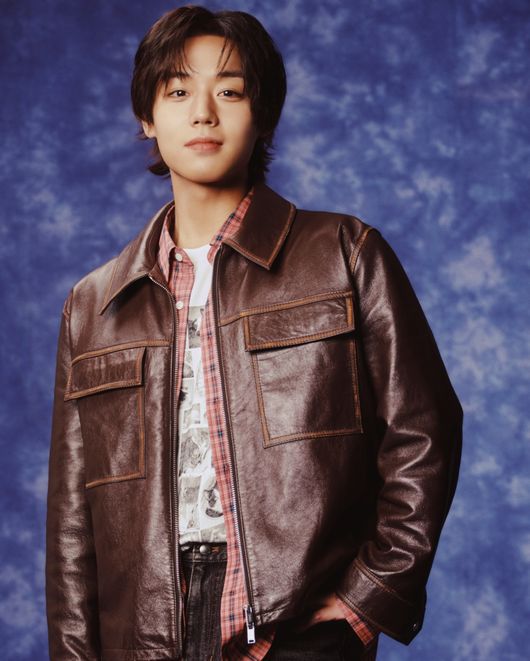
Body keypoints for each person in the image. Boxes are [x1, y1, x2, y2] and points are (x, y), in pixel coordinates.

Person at [45, 5, 463, 661]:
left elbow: (423, 430)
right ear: (147, 117)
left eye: (230, 91)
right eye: (177, 91)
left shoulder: (344, 253)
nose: (203, 113)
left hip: (295, 628)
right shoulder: (92, 305)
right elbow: (72, 526)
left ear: (262, 114)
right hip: (142, 634)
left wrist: (367, 597)